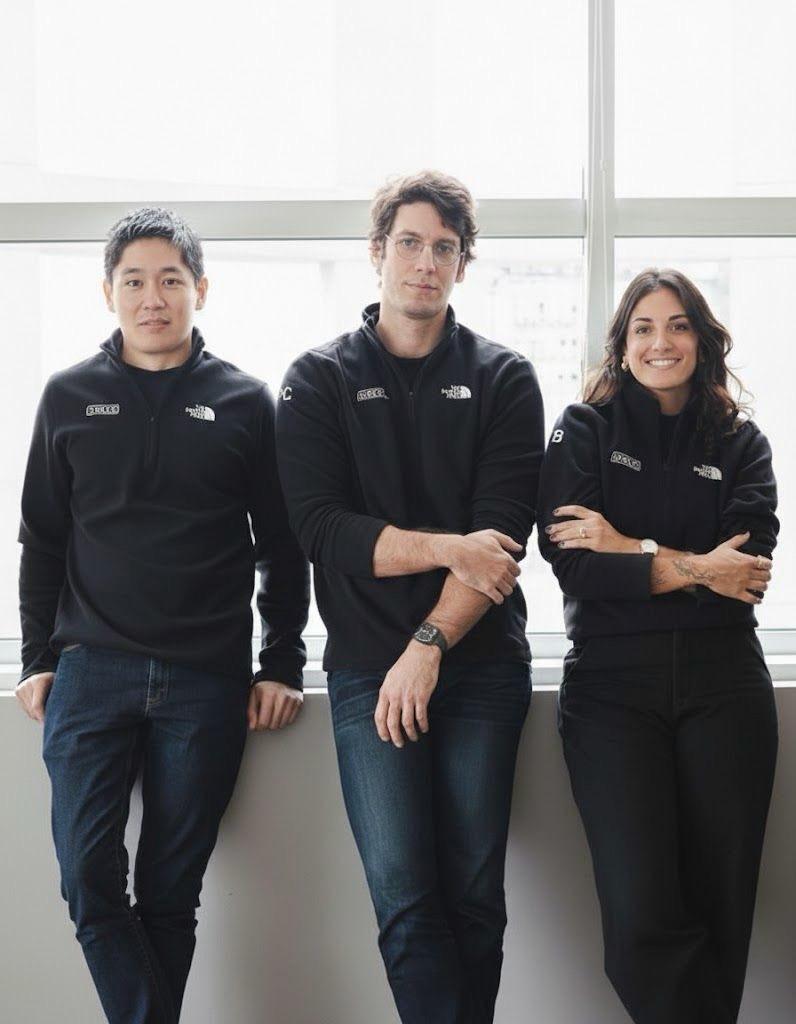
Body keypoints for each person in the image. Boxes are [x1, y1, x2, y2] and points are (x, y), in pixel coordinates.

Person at [14, 207, 309, 1024]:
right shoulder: (68, 395)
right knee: (88, 878)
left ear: (200, 290)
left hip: (206, 680)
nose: (153, 298)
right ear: (108, 292)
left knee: (172, 894)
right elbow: (41, 540)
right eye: (135, 281)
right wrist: (38, 658)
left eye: (171, 280)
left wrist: (281, 663)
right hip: (91, 672)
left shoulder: (245, 401)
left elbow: (283, 547)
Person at [275, 170, 544, 1023]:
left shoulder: (505, 377)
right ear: (376, 252)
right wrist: (446, 546)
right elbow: (323, 529)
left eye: (444, 248)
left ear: (463, 264)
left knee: (473, 892)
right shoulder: (317, 378)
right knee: (402, 894)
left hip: (480, 666)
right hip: (366, 670)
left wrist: (427, 646)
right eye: (409, 243)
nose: (425, 262)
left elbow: (501, 546)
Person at [537, 268, 778, 1024]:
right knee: (640, 908)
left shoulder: (742, 443)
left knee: (721, 902)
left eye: (677, 325)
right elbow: (575, 564)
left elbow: (747, 574)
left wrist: (628, 547)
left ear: (702, 341)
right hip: (612, 692)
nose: (660, 342)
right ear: (621, 345)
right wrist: (697, 566)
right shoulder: (585, 430)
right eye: (643, 327)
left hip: (725, 686)